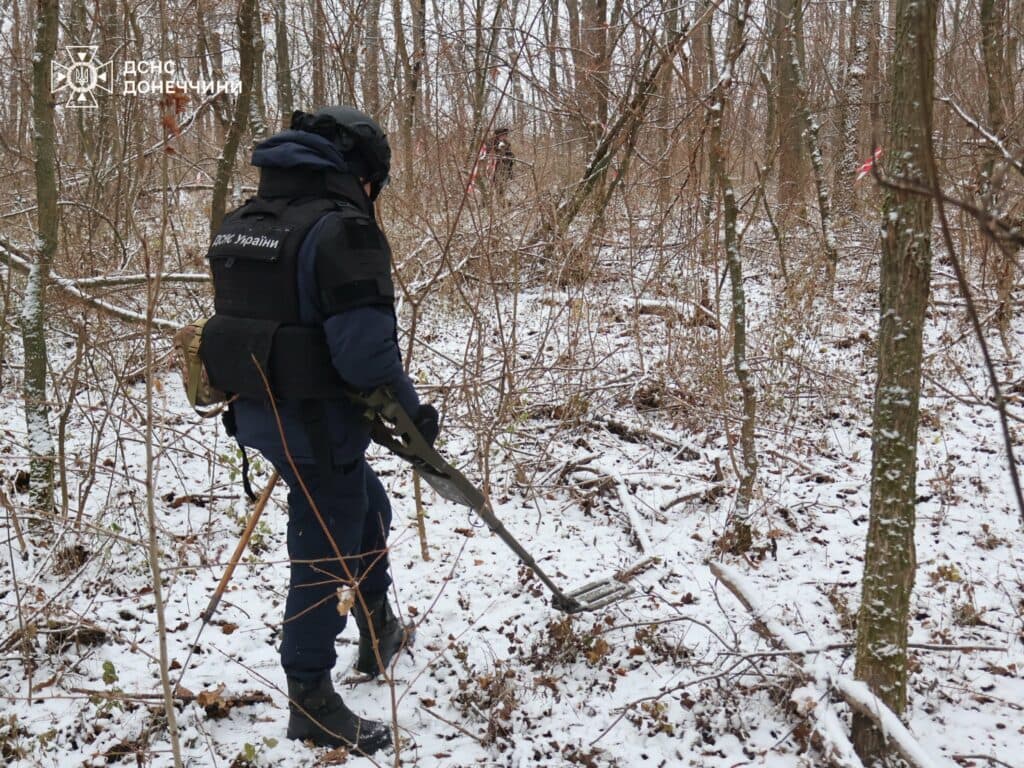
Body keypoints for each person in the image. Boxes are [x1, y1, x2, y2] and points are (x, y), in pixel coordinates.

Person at [200, 106, 439, 756]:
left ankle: (377, 625)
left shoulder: (247, 223)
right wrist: (415, 418)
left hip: (259, 415)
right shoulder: (343, 232)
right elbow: (366, 359)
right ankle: (310, 695)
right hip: (315, 422)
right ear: (361, 173)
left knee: (369, 505)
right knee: (322, 548)